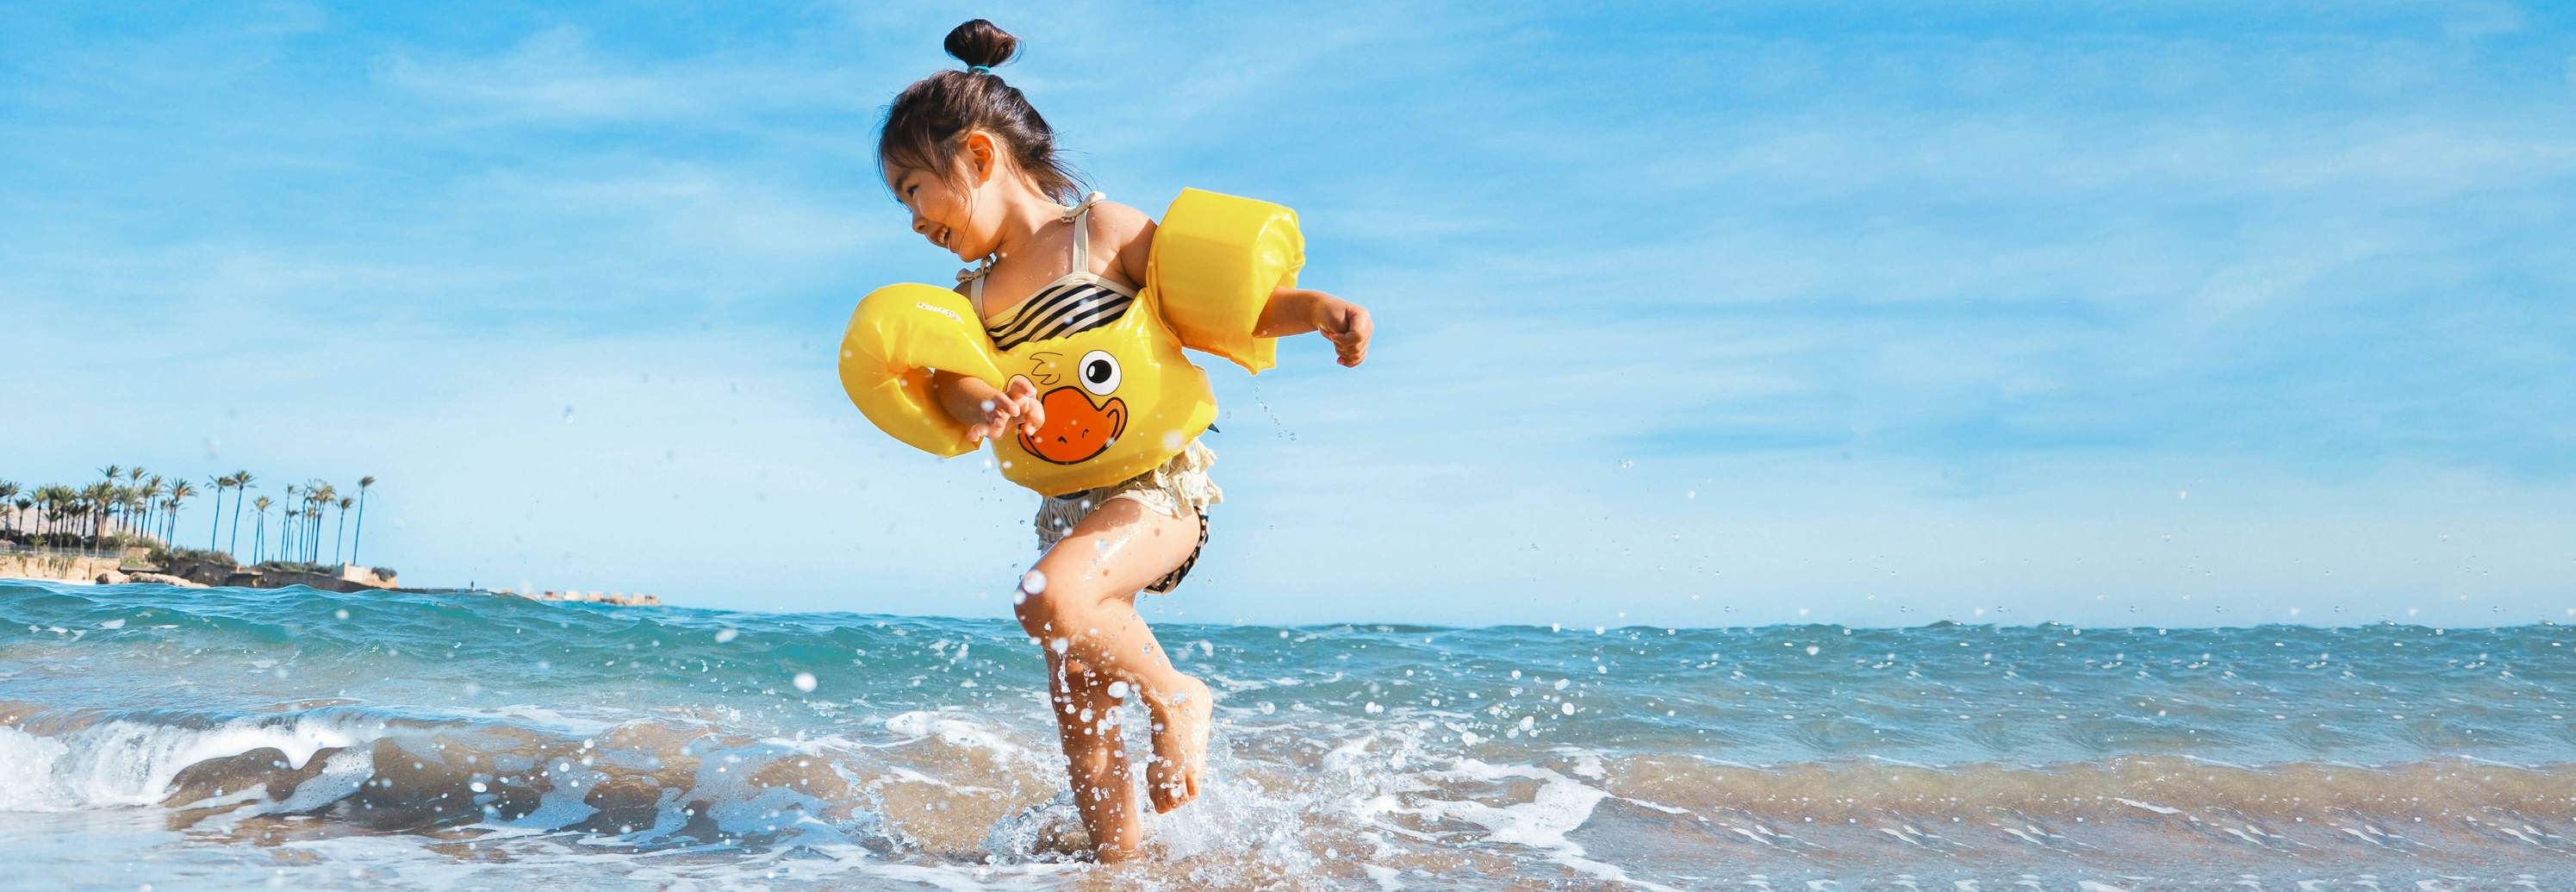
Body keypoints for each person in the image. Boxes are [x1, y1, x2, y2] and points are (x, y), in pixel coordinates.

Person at [872, 19, 1372, 861]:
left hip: (1159, 492)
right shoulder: (973, 293)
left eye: (913, 189)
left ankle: (1178, 699)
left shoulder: (1098, 235)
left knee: (1046, 600)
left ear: (980, 158)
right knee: (1079, 707)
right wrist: (986, 404)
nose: (913, 219)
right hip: (1063, 511)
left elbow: (1219, 304)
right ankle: (1119, 867)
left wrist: (1314, 308)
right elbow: (955, 383)